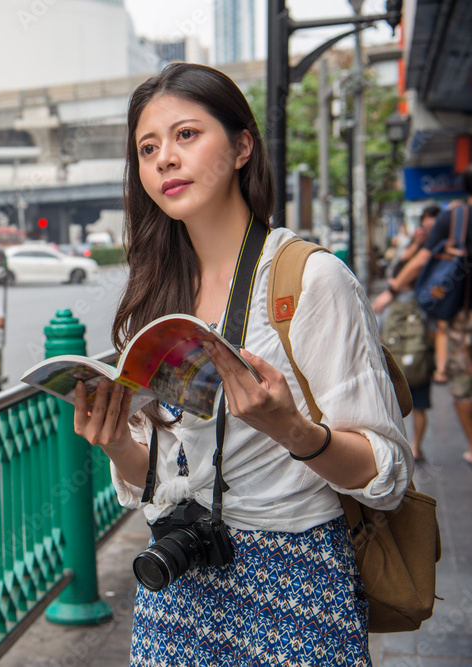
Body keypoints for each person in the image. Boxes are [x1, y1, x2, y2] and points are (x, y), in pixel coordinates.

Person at [73, 63, 411, 665]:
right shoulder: (157, 301)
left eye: (186, 135)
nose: (164, 160)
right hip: (175, 584)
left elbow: (385, 475)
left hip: (295, 585)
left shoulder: (308, 281)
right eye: (147, 148)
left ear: (242, 146)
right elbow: (165, 468)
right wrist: (114, 445)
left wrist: (293, 431)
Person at [375, 173, 472, 467]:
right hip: (458, 317)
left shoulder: (456, 218)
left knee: (463, 383)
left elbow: (419, 263)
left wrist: (390, 292)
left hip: (461, 316)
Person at [372, 205, 440, 462]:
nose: (428, 233)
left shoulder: (435, 255)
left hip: (420, 326)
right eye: (424, 227)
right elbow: (399, 269)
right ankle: (396, 443)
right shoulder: (412, 248)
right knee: (390, 394)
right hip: (394, 327)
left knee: (420, 395)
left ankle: (417, 446)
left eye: (433, 229)